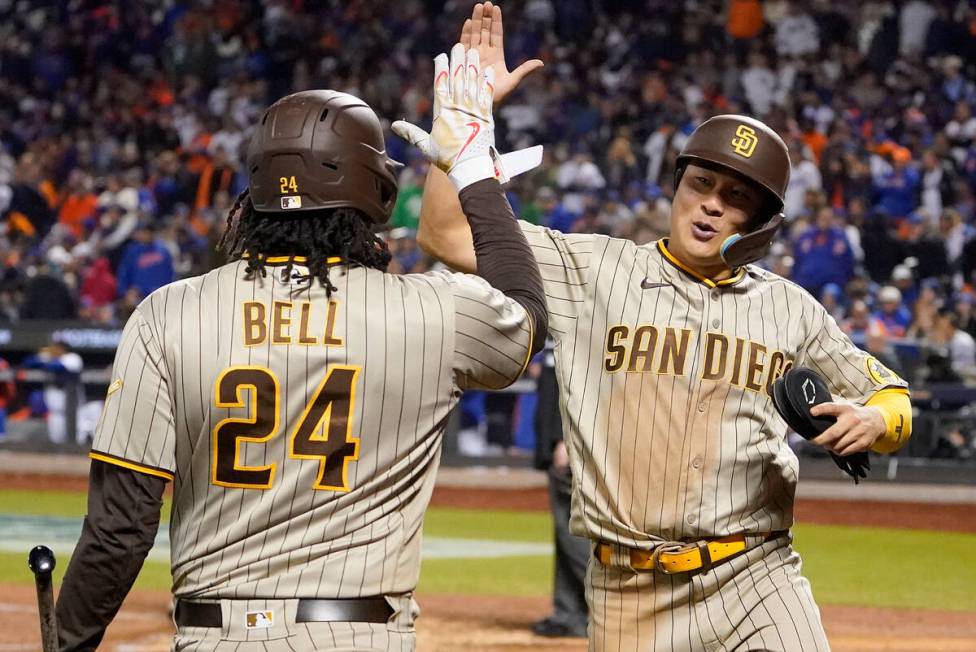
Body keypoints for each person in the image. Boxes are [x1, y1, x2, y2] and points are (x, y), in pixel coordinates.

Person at [416, 5, 914, 649]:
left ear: (759, 226)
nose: (711, 203)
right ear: (677, 187)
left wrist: (877, 421)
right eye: (701, 184)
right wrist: (465, 121)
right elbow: (444, 232)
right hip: (630, 594)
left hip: (756, 576)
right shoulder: (592, 267)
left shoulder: (792, 308)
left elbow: (893, 399)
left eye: (735, 199)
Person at [54, 47, 548, 651]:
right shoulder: (433, 312)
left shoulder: (167, 313)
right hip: (362, 636)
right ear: (377, 192)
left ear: (255, 188)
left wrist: (68, 644)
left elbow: (119, 531)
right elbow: (527, 310)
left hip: (215, 638)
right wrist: (470, 166)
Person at [531, 337, 589, 638]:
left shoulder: (581, 311)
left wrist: (565, 436)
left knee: (573, 528)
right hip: (558, 427)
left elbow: (582, 379)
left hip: (570, 437)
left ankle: (600, 600)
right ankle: (569, 613)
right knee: (563, 525)